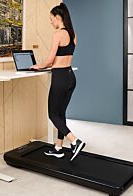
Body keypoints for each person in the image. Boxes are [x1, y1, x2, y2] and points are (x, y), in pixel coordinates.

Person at [30, 3, 85, 161]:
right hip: (70, 77)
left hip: (60, 77)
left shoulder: (58, 34)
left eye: (51, 18)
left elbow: (50, 60)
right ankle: (58, 148)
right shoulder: (73, 34)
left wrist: (37, 66)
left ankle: (74, 141)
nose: (51, 22)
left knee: (52, 114)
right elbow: (64, 56)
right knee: (61, 114)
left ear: (58, 17)